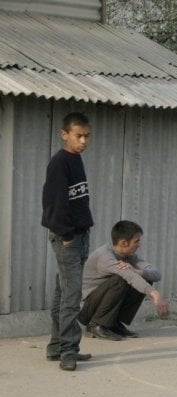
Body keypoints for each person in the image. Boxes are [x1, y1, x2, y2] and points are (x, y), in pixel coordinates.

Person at [41, 112, 94, 371]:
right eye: (78, 136)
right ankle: (68, 350)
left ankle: (55, 347)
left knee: (63, 293)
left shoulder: (76, 160)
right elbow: (53, 202)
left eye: (87, 136)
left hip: (81, 234)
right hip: (68, 238)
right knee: (72, 296)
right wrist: (66, 234)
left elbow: (77, 199)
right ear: (65, 135)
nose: (83, 140)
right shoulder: (59, 162)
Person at [79, 220, 170, 340]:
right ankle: (96, 325)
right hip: (90, 309)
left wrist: (138, 271)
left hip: (103, 303)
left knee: (144, 278)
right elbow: (129, 276)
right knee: (121, 280)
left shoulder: (129, 256)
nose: (139, 245)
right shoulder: (105, 256)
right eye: (136, 241)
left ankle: (113, 323)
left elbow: (156, 274)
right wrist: (155, 294)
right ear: (124, 243)